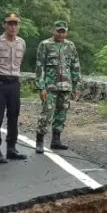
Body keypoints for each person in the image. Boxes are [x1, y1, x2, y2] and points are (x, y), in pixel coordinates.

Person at [0, 12, 27, 164]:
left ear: (18, 26)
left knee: (14, 116)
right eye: (10, 23)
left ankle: (11, 148)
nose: (13, 26)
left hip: (14, 83)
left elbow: (19, 64)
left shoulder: (22, 43)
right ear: (4, 25)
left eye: (15, 24)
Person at [34, 21, 82, 154]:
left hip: (66, 86)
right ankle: (39, 141)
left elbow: (75, 66)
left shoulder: (70, 46)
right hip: (50, 86)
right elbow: (40, 66)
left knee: (62, 113)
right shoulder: (45, 45)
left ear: (66, 32)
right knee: (47, 113)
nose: (61, 34)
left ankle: (56, 140)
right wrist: (41, 87)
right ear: (53, 31)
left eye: (63, 31)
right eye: (59, 31)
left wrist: (77, 85)